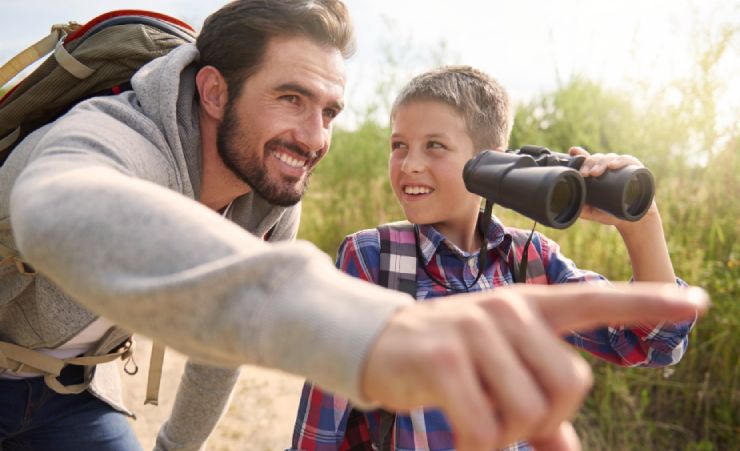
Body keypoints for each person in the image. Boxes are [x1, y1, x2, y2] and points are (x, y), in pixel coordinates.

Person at [0, 1, 706, 450]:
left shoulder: (272, 197)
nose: (315, 137)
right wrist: (370, 326)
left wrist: (638, 220)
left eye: (330, 111)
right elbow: (56, 206)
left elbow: (222, 336)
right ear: (214, 91)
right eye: (290, 97)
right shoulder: (115, 134)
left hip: (72, 396)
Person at [290, 66, 696, 451]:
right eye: (399, 145)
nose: (410, 164)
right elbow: (326, 413)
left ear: (491, 162)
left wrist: (640, 222)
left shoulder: (530, 258)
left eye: (435, 146)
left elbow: (651, 344)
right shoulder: (374, 256)